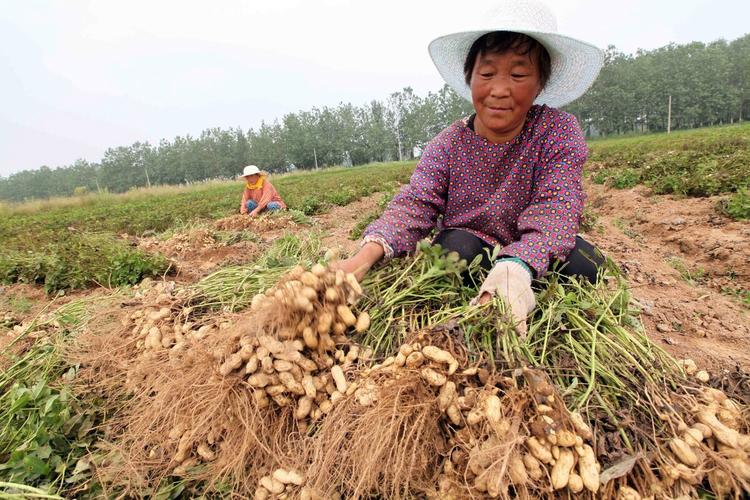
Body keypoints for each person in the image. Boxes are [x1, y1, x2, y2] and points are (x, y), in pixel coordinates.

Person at [335, 0, 607, 335]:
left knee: (585, 266)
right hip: (471, 244)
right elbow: (415, 204)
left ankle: (518, 292)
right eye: (487, 73)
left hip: (534, 247)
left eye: (519, 74)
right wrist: (361, 260)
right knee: (453, 253)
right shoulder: (447, 144)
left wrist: (515, 269)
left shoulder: (556, 131)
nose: (499, 89)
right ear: (470, 78)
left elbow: (557, 207)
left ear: (540, 84)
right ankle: (479, 301)